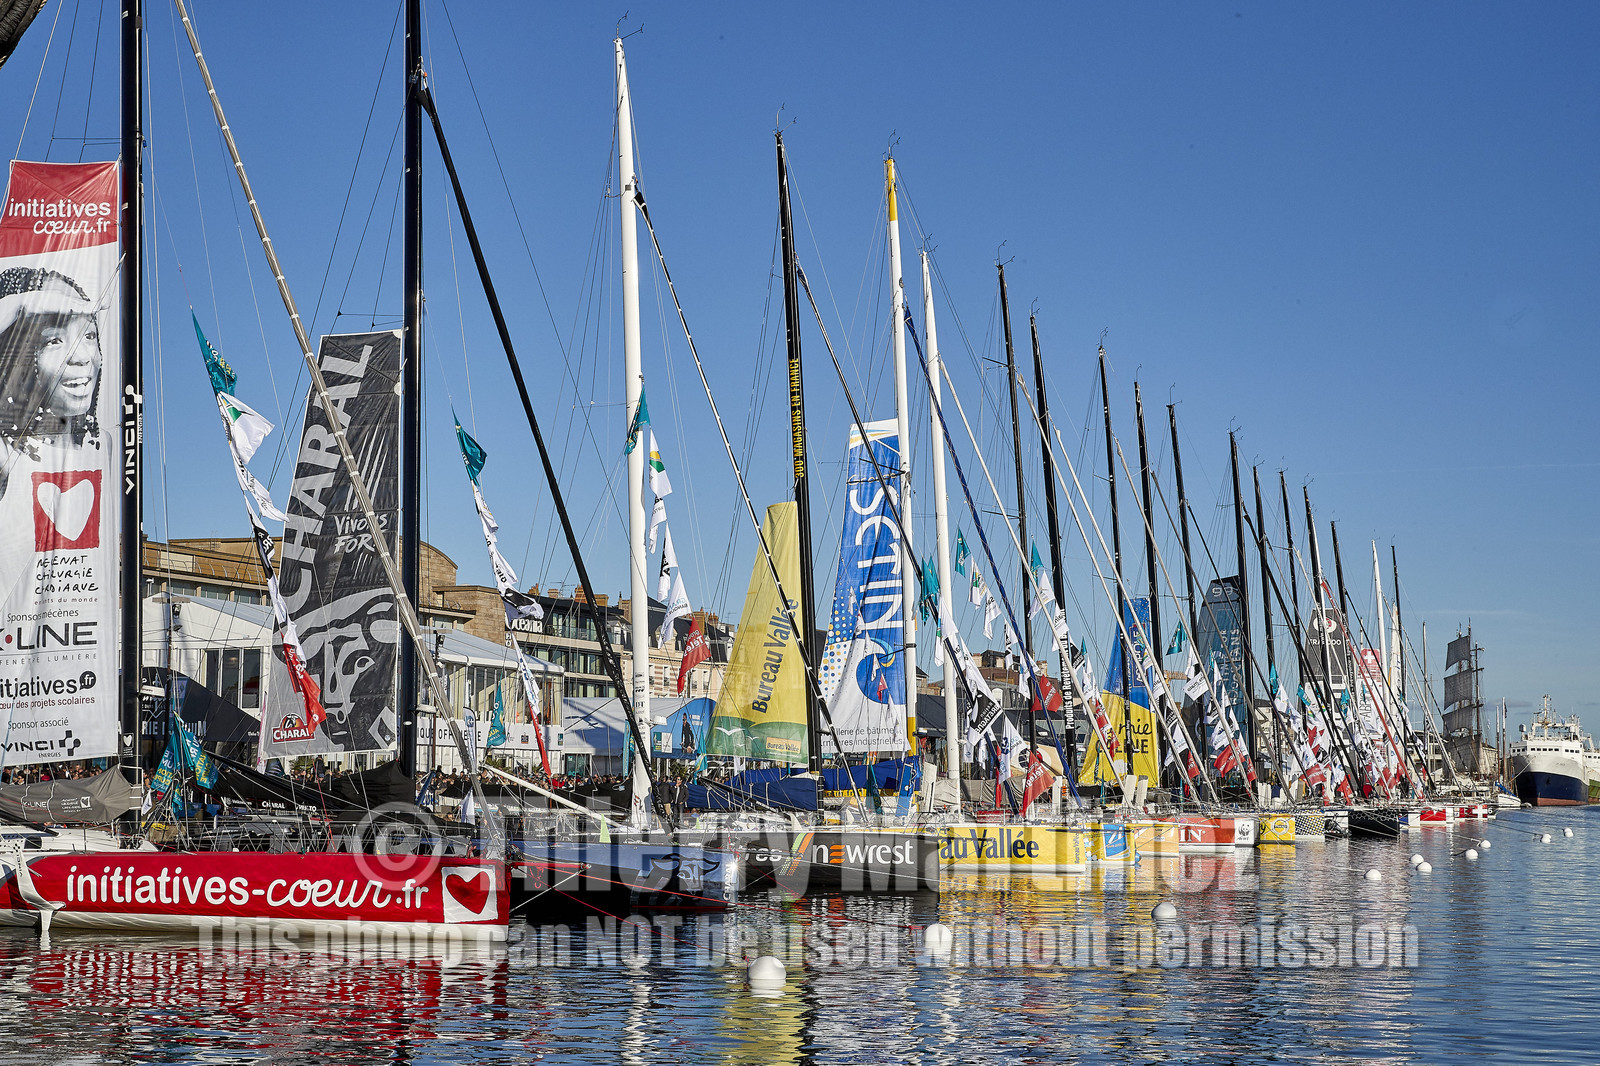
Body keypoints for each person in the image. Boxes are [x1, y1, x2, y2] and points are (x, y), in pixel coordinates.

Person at [0, 266, 105, 604]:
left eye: (88, 335)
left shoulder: (106, 445)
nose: (82, 358)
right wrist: (22, 305)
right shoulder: (5, 451)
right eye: (54, 340)